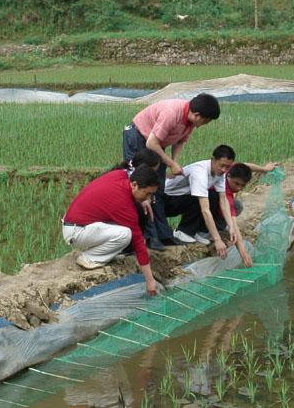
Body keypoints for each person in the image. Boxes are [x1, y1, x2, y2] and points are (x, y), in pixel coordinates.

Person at [122, 93, 220, 250]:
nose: (204, 124)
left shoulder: (190, 122)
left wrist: (174, 162)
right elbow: (151, 142)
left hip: (156, 144)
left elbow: (180, 141)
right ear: (197, 115)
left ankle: (164, 235)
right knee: (142, 188)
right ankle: (148, 238)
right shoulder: (172, 113)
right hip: (138, 137)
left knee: (157, 190)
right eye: (206, 121)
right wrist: (170, 163)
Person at [62, 164, 160, 295]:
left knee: (125, 228)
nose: (148, 198)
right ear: (135, 185)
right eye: (147, 194)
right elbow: (138, 243)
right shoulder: (123, 204)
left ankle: (98, 253)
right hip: (76, 232)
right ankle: (90, 258)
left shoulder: (119, 175)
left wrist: (143, 199)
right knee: (125, 234)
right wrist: (150, 281)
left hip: (76, 223)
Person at [163, 144, 237, 259]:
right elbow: (205, 210)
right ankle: (183, 232)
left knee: (214, 196)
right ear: (213, 160)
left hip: (184, 198)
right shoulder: (200, 172)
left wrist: (231, 226)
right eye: (222, 166)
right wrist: (217, 239)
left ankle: (199, 232)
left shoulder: (219, 173)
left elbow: (223, 200)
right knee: (202, 197)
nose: (224, 170)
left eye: (227, 167)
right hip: (167, 200)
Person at [220, 161, 278, 267]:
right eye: (236, 183)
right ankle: (208, 230)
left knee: (237, 206)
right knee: (231, 209)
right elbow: (234, 224)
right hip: (196, 201)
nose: (238, 188)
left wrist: (264, 169)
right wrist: (243, 253)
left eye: (242, 186)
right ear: (229, 176)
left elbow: (246, 166)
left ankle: (219, 225)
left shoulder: (232, 169)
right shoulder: (225, 192)